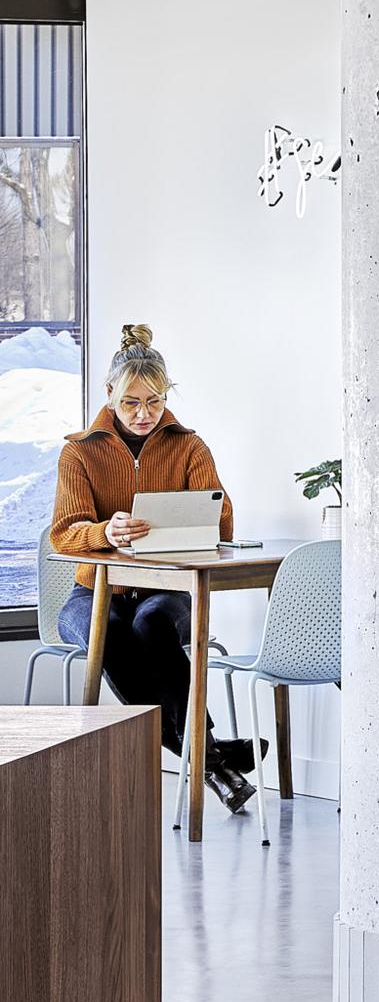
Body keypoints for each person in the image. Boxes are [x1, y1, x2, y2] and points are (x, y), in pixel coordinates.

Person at [51, 324, 256, 814]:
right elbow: (64, 533)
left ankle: (204, 759)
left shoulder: (189, 446)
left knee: (154, 623)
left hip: (166, 591)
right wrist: (105, 532)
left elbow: (223, 523)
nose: (144, 414)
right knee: (114, 633)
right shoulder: (80, 451)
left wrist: (208, 510)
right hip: (92, 596)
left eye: (155, 402)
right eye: (131, 403)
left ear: (167, 396)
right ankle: (214, 760)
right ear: (109, 395)